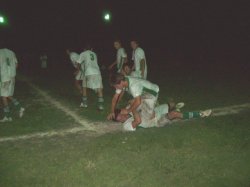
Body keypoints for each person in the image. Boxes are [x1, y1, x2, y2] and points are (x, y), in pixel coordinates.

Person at [114, 103, 212, 131]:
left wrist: (131, 106)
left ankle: (173, 108)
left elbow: (138, 103)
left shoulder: (129, 111)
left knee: (170, 104)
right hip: (156, 123)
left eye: (120, 113)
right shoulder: (126, 125)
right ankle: (201, 114)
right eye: (118, 117)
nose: (121, 116)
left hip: (155, 113)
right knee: (174, 115)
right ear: (118, 120)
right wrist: (133, 108)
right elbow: (138, 121)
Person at [0, 48, 25, 122]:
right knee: (7, 95)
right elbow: (16, 65)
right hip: (12, 77)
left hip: (5, 78)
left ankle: (8, 116)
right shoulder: (11, 52)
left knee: (3, 96)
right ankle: (19, 108)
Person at [76, 45, 104, 110]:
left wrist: (81, 70)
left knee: (84, 87)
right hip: (97, 72)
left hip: (88, 72)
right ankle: (101, 106)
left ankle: (85, 103)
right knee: (99, 88)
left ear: (84, 49)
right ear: (91, 49)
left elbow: (78, 63)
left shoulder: (84, 53)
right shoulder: (94, 54)